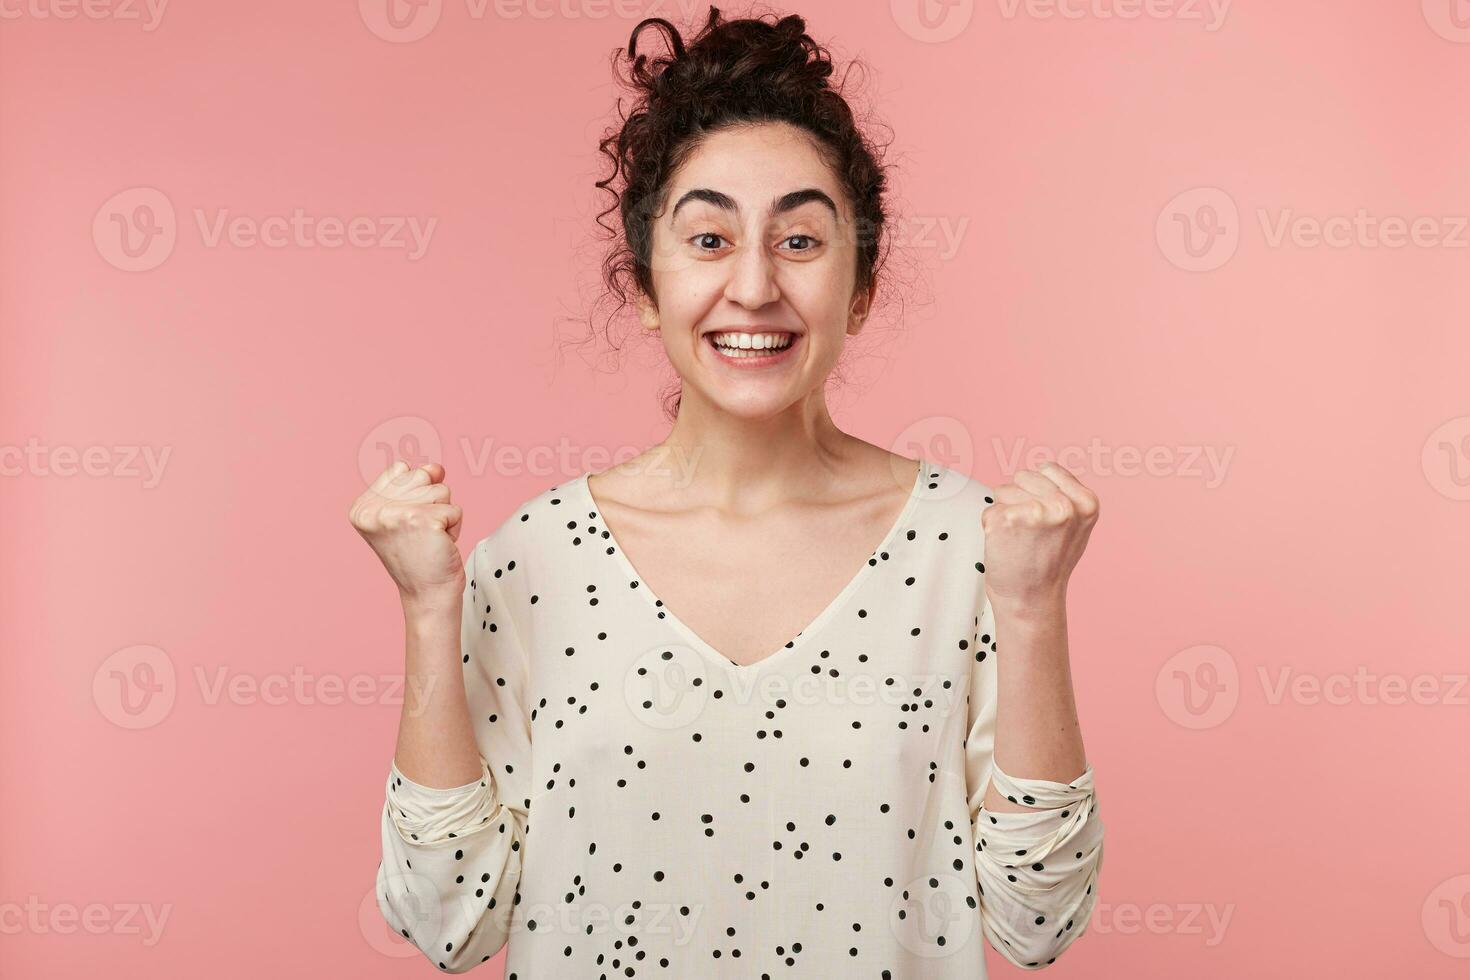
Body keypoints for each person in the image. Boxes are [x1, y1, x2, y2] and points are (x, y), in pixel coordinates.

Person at [351, 7, 1105, 976]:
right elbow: (450, 918)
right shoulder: (534, 558)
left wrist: (1035, 605)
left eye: (799, 240)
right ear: (647, 285)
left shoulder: (977, 544)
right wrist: (425, 607)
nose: (753, 285)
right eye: (708, 239)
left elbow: (1037, 919)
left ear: (861, 286)